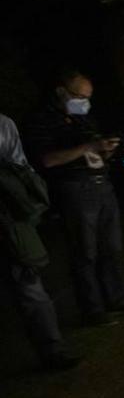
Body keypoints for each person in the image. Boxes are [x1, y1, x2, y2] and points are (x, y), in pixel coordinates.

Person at [23, 69, 124, 326]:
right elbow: (46, 158)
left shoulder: (84, 118)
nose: (85, 102)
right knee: (84, 251)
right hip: (75, 189)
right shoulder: (41, 120)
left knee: (111, 247)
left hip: (101, 184)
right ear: (61, 92)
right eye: (80, 96)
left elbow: (94, 149)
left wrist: (107, 150)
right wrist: (88, 148)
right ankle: (92, 309)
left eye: (88, 97)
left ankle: (116, 299)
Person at [0, 112, 80, 370]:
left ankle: (52, 349)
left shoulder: (3, 124)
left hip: (8, 218)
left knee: (29, 282)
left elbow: (21, 170)